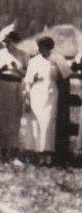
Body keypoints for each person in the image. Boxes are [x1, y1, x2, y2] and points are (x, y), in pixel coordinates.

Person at [22, 37, 68, 165]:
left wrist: (59, 66)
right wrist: (27, 98)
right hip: (36, 93)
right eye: (39, 47)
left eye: (43, 47)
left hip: (51, 93)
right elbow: (28, 81)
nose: (40, 50)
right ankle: (37, 155)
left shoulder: (57, 59)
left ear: (49, 48)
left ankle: (47, 155)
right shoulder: (34, 61)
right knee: (36, 124)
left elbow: (66, 74)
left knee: (48, 123)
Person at [0, 25, 29, 163]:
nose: (7, 44)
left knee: (14, 120)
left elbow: (28, 74)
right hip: (2, 87)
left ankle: (13, 154)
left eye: (9, 41)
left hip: (16, 87)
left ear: (15, 40)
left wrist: (17, 70)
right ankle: (2, 152)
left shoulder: (23, 55)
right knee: (1, 119)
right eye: (4, 42)